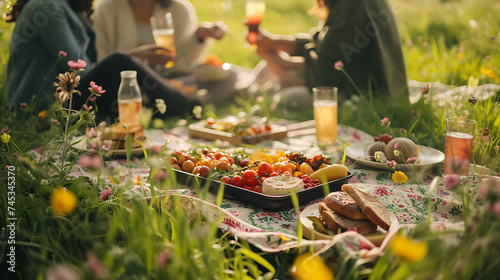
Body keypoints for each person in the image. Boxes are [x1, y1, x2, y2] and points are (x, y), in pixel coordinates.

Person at [5, 0, 200, 120]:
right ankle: (187, 105)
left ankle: (171, 99)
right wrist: (134, 56)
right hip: (40, 109)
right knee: (120, 60)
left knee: (126, 74)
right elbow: (81, 69)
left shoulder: (70, 8)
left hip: (67, 101)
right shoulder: (46, 7)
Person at [251, 0, 409, 105]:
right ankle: (250, 91)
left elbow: (317, 76)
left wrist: (269, 56)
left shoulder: (354, 6)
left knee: (287, 97)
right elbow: (322, 45)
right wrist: (272, 42)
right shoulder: (346, 4)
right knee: (267, 70)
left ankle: (252, 94)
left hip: (359, 95)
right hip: (337, 75)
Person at [92, 0, 227, 76]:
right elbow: (99, 63)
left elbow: (183, 64)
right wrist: (132, 58)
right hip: (123, 82)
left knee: (229, 75)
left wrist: (199, 36)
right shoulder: (105, 9)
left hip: (169, 79)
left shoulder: (179, 9)